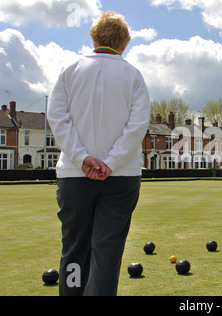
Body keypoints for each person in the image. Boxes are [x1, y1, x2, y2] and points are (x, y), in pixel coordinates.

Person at [47, 11, 151, 296]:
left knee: (74, 249)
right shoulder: (133, 75)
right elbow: (137, 125)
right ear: (124, 42)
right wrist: (111, 162)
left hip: (74, 174)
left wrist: (82, 158)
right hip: (121, 176)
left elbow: (57, 117)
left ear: (94, 37)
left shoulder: (70, 70)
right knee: (107, 253)